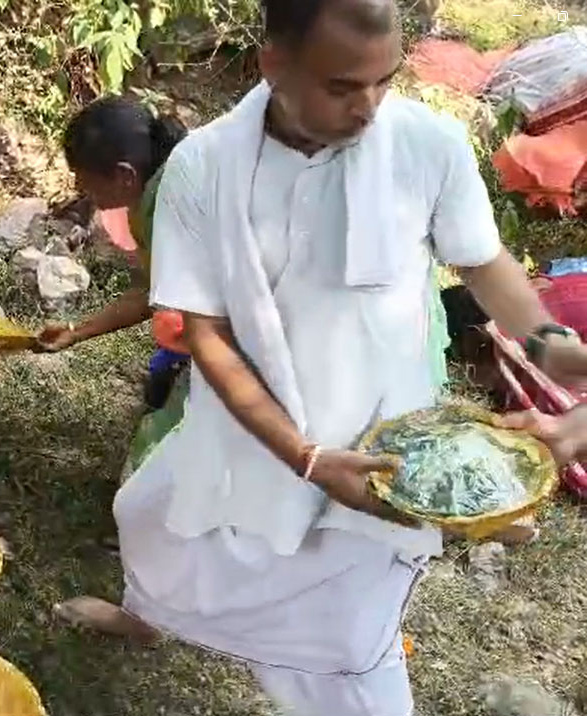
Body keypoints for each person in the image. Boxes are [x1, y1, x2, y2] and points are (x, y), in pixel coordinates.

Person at [56, 1, 587, 714]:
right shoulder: (202, 171)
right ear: (275, 63)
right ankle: (152, 618)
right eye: (342, 87)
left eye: (383, 81)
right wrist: (303, 456)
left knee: (346, 644)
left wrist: (547, 343)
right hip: (248, 425)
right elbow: (205, 333)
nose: (368, 107)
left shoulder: (427, 144)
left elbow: (484, 261)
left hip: (378, 447)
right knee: (150, 519)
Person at [36, 97, 192, 403]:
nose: (80, 187)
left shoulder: (173, 209)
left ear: (124, 175)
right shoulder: (157, 189)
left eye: (84, 179)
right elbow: (152, 289)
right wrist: (76, 331)